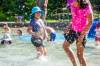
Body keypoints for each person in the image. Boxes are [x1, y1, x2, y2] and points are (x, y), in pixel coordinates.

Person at [63, 0, 93, 66]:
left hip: (83, 31)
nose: (71, 4)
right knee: (65, 46)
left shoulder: (86, 6)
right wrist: (69, 27)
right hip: (73, 29)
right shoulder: (72, 5)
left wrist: (82, 35)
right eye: (70, 3)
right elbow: (74, 18)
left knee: (79, 55)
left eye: (72, 2)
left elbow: (90, 21)